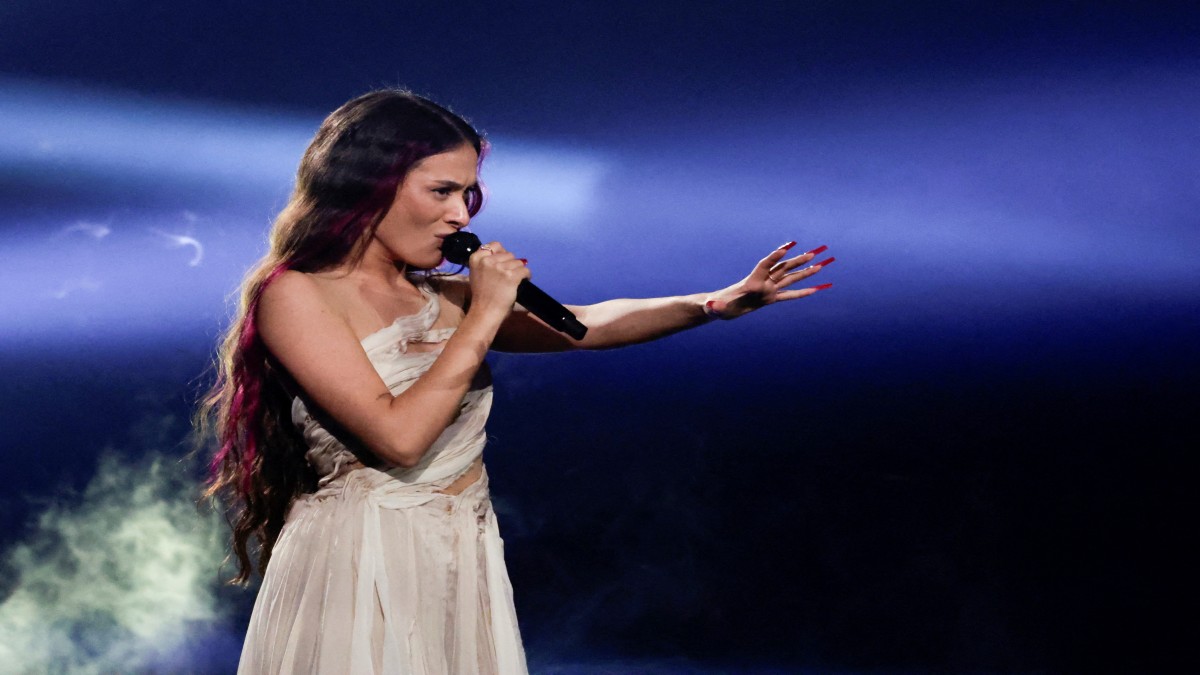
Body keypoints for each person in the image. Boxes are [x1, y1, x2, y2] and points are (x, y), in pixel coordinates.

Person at [198, 89, 834, 674]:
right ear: (371, 184)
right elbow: (398, 436)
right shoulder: (298, 295)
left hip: (459, 548)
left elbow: (582, 323)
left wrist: (715, 304)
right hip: (363, 556)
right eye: (441, 191)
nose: (460, 214)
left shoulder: (440, 297)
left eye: (468, 195)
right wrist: (483, 313)